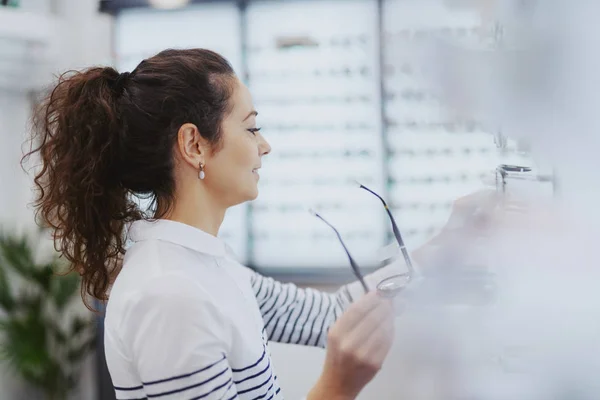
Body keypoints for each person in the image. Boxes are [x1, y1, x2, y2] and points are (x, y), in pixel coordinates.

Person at [25, 48, 398, 400]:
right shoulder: (169, 293)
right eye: (251, 129)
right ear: (194, 145)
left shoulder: (209, 266)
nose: (264, 146)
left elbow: (330, 317)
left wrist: (448, 244)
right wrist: (336, 386)